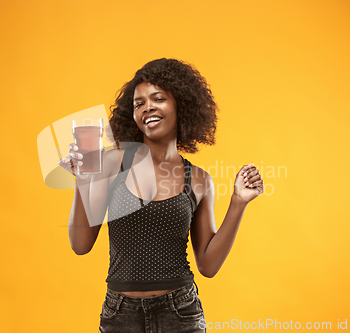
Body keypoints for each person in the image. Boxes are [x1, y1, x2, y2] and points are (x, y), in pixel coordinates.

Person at [58, 58, 263, 333]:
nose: (147, 108)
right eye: (138, 104)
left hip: (180, 313)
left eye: (158, 98)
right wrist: (83, 178)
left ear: (180, 105)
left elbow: (208, 265)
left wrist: (238, 203)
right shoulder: (112, 163)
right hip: (120, 314)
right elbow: (80, 244)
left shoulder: (199, 180)